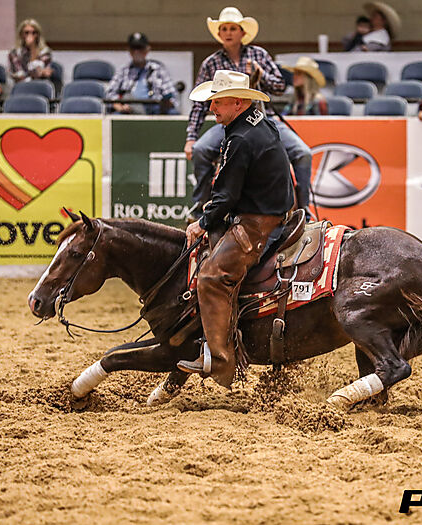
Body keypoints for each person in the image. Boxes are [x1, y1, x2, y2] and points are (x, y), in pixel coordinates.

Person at [177, 70, 295, 388]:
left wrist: (202, 223)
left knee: (210, 277)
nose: (212, 107)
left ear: (238, 103)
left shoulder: (240, 139)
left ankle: (219, 359)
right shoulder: (259, 123)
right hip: (273, 210)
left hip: (258, 223)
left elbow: (226, 196)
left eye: (218, 101)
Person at [184, 7, 312, 221]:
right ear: (219, 33)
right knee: (200, 150)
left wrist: (261, 74)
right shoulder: (210, 63)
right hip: (231, 123)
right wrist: (191, 137)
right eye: (224, 29)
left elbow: (280, 86)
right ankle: (199, 207)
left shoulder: (259, 55)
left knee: (303, 153)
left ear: (242, 32)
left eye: (233, 28)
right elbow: (199, 105)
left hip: (263, 119)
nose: (228, 32)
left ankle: (304, 211)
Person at [104, 32, 178, 115]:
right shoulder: (123, 71)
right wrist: (118, 106)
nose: (137, 52)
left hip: (155, 110)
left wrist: (166, 102)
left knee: (173, 113)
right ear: (129, 50)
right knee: (116, 115)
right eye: (133, 48)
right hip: (130, 111)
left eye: (140, 48)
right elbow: (109, 94)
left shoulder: (158, 69)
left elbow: (172, 96)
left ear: (147, 49)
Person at [8, 19, 52, 83]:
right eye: (27, 33)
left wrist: (32, 48)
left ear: (38, 35)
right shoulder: (14, 52)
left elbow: (46, 72)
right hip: (21, 85)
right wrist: (36, 73)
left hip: (41, 84)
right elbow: (19, 74)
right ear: (21, 34)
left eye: (34, 33)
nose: (30, 35)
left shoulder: (45, 51)